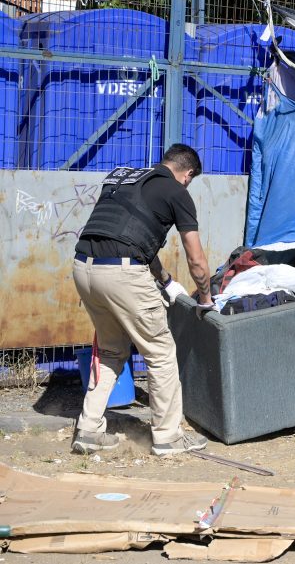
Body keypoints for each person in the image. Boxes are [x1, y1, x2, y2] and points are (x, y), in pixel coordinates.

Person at [71, 144, 213, 456]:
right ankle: (168, 437)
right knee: (160, 353)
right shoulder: (177, 192)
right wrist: (205, 298)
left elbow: (131, 238)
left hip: (83, 268)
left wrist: (166, 281)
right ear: (188, 174)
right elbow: (196, 259)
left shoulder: (127, 180)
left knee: (110, 351)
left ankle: (89, 429)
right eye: (190, 180)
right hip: (122, 276)